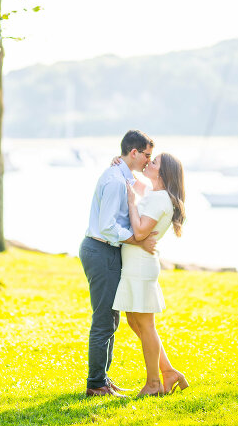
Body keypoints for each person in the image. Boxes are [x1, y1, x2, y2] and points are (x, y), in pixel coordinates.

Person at [79, 130, 158, 398]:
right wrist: (139, 241)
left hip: (107, 252)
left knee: (111, 320)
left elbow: (145, 190)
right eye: (147, 155)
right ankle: (96, 385)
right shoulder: (115, 180)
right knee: (104, 320)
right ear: (134, 152)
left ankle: (102, 379)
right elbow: (108, 226)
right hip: (101, 250)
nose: (149, 160)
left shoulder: (123, 176)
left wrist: (123, 164)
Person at [112, 152, 189, 397]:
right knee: (135, 321)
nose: (149, 163)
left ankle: (154, 383)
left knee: (145, 325)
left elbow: (141, 230)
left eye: (153, 162)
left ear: (163, 173)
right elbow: (134, 183)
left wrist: (133, 202)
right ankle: (168, 373)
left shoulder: (159, 199)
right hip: (136, 264)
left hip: (141, 267)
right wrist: (122, 164)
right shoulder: (157, 195)